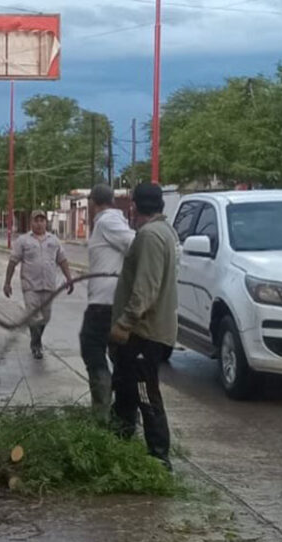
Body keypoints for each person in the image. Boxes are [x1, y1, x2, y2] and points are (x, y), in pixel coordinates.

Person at [109, 182, 178, 471]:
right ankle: (117, 443)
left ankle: (159, 457)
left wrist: (125, 323)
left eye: (132, 205)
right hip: (144, 332)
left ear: (135, 206)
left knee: (145, 392)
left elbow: (145, 289)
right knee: (125, 389)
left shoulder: (150, 236)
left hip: (143, 333)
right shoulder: (164, 232)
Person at [80, 184, 135, 422]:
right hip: (111, 301)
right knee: (117, 356)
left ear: (93, 203)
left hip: (104, 303)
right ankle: (123, 413)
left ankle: (102, 411)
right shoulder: (112, 221)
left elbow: (136, 244)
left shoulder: (106, 222)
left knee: (91, 347)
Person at [3, 210, 74, 359]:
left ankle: (37, 339)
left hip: (48, 286)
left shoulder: (53, 240)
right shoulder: (23, 241)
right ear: (31, 222)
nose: (39, 223)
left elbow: (62, 260)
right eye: (36, 220)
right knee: (33, 316)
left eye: (42, 220)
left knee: (45, 317)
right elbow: (13, 262)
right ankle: (36, 345)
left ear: (46, 222)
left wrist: (69, 278)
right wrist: (7, 282)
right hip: (30, 286)